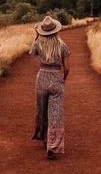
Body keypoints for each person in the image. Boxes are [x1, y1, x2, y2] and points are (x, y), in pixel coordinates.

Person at [29, 15, 71, 160]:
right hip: (56, 79)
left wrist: (36, 35)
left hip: (41, 78)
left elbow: (32, 52)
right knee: (55, 113)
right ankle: (52, 147)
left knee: (42, 109)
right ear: (55, 30)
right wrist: (62, 79)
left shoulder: (38, 43)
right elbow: (67, 68)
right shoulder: (62, 45)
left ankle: (44, 137)